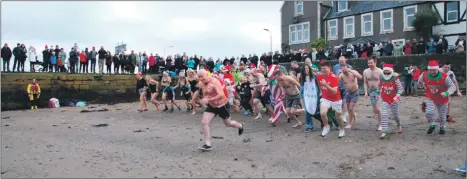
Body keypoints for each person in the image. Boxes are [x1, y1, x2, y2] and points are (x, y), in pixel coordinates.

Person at [196, 69, 244, 151]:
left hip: (222, 105)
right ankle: (207, 144)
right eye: (199, 77)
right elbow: (204, 93)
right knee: (204, 122)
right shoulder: (201, 83)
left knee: (228, 123)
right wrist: (203, 99)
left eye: (202, 76)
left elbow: (221, 95)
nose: (200, 78)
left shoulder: (214, 82)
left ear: (207, 74)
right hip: (212, 106)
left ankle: (240, 126)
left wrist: (208, 100)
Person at [417, 60, 456, 134]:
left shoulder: (444, 77)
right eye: (430, 70)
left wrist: (447, 92)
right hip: (430, 97)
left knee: (442, 116)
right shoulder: (424, 74)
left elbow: (452, 86)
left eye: (434, 70)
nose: (432, 72)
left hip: (442, 99)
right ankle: (432, 124)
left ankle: (442, 127)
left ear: (437, 69)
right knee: (429, 112)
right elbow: (419, 82)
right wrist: (421, 85)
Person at [317, 62, 345, 138]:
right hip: (325, 98)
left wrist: (326, 85)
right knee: (322, 113)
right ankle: (326, 126)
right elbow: (320, 85)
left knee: (338, 117)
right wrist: (321, 91)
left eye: (324, 68)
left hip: (336, 99)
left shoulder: (334, 77)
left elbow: (334, 91)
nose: (323, 70)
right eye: (321, 68)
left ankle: (342, 129)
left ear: (329, 68)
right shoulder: (319, 75)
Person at [379, 64, 403, 138]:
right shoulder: (381, 78)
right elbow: (380, 87)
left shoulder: (395, 79)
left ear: (391, 72)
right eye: (385, 72)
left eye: (388, 73)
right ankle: (384, 131)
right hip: (384, 99)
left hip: (394, 100)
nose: (386, 74)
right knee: (384, 114)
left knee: (396, 115)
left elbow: (401, 89)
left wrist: (396, 97)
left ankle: (398, 125)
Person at [338, 64, 362, 129]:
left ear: (347, 68)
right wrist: (338, 74)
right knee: (349, 109)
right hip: (348, 92)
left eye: (344, 68)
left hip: (355, 92)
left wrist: (353, 72)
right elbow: (335, 81)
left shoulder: (353, 72)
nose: (343, 70)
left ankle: (350, 124)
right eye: (342, 68)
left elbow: (360, 77)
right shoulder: (341, 75)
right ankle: (354, 115)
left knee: (350, 108)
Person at [363, 57, 383, 131]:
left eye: (371, 63)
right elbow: (365, 82)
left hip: (378, 91)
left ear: (375, 63)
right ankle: (381, 117)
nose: (369, 64)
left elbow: (383, 83)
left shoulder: (380, 71)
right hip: (371, 92)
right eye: (368, 63)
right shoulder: (365, 71)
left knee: (378, 109)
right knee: (375, 110)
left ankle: (381, 124)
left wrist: (381, 92)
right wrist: (366, 92)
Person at [333, 56, 353, 123]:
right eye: (340, 61)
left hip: (346, 87)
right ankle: (342, 114)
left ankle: (344, 115)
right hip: (338, 86)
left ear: (345, 60)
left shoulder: (349, 67)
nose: (341, 63)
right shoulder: (335, 67)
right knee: (339, 102)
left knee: (344, 101)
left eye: (342, 61)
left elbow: (351, 76)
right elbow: (334, 76)